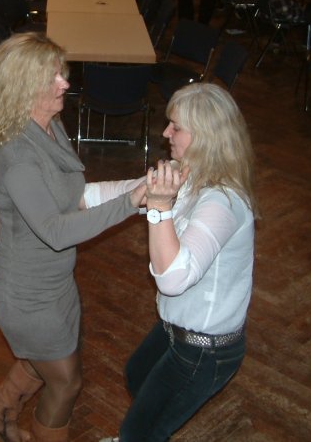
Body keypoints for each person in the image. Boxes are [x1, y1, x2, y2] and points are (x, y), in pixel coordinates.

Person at [0, 32, 147, 442]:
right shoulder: (17, 157)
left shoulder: (49, 126)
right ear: (24, 86)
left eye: (62, 72)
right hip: (24, 293)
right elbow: (55, 230)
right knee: (66, 381)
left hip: (56, 281)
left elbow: (74, 196)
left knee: (41, 360)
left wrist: (138, 187)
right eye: (53, 77)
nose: (65, 82)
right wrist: (130, 202)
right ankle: (1, 420)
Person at [101, 83, 257, 442]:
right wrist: (66, 198)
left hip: (205, 350)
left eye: (176, 127)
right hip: (177, 330)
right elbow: (124, 192)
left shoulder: (222, 202)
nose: (165, 133)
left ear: (205, 136)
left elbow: (172, 280)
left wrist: (159, 208)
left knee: (138, 431)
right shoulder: (187, 173)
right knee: (137, 375)